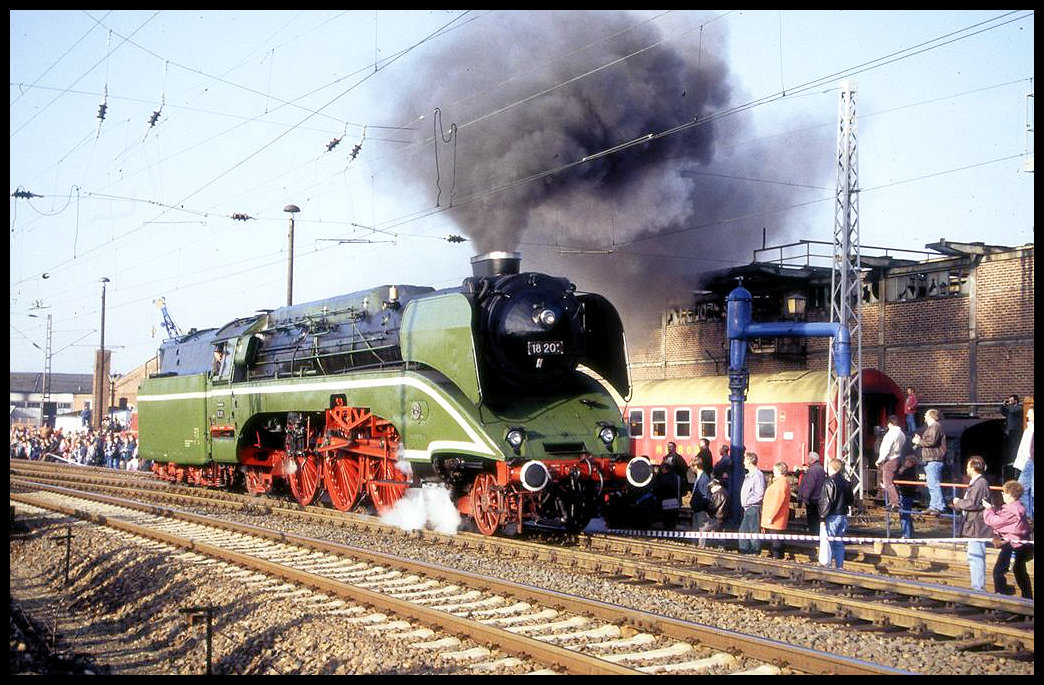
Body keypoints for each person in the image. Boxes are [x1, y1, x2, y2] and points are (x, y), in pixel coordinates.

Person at [982, 480, 1033, 598]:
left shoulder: (1013, 511)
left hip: (1013, 546)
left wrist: (989, 509)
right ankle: (1028, 597)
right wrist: (994, 509)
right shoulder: (1017, 508)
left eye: (1004, 493)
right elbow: (1003, 518)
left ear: (1010, 494)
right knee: (1019, 571)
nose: (1002, 495)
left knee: (998, 572)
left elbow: (995, 522)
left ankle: (1003, 597)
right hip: (1021, 545)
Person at [950, 456, 992, 592]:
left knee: (976, 555)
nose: (966, 468)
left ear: (974, 467)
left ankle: (978, 587)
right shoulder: (976, 482)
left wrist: (958, 502)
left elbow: (972, 503)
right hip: (972, 523)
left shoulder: (980, 483)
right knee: (973, 555)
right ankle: (977, 585)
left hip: (976, 526)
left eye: (968, 466)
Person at [818, 458, 853, 569]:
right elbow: (850, 501)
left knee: (828, 542)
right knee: (839, 542)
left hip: (832, 516)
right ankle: (839, 566)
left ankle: (826, 565)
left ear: (831, 468)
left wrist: (822, 518)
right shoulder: (846, 483)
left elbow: (826, 501)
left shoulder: (829, 482)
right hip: (842, 515)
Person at [912, 408, 946, 515]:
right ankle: (933, 505)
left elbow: (931, 441)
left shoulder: (935, 426)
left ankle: (939, 506)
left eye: (926, 414)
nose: (924, 416)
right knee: (931, 484)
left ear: (931, 416)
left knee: (934, 484)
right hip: (930, 459)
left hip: (933, 459)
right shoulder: (932, 427)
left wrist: (918, 441)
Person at [876, 415, 906, 511]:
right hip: (898, 458)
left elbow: (886, 448)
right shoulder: (902, 434)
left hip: (890, 459)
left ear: (889, 423)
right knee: (893, 482)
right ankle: (894, 501)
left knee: (887, 482)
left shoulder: (891, 434)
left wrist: (880, 460)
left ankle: (894, 502)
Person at [761, 462, 791, 559]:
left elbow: (777, 502)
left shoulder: (780, 484)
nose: (773, 472)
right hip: (777, 519)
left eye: (774, 470)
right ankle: (777, 558)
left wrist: (771, 517)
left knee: (776, 542)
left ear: (779, 471)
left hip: (776, 519)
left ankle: (777, 560)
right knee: (777, 541)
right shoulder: (781, 483)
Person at [737, 451, 766, 555]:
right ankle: (745, 552)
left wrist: (747, 502)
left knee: (753, 532)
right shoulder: (749, 475)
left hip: (753, 508)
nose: (744, 462)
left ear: (749, 461)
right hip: (748, 508)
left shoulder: (758, 475)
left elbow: (759, 494)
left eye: (745, 460)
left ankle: (755, 552)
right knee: (743, 532)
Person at [1013, 406, 1034, 521]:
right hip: (1028, 462)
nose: (1027, 416)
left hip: (1031, 461)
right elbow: (1023, 448)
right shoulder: (1028, 430)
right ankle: (1027, 515)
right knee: (1021, 489)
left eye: (1029, 413)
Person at [797, 451, 826, 533]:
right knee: (817, 518)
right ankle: (816, 532)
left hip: (812, 499)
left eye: (809, 458)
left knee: (812, 519)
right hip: (818, 497)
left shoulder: (812, 470)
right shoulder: (820, 469)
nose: (807, 460)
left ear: (812, 459)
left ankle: (813, 534)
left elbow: (809, 485)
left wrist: (805, 498)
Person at [895, 455, 920, 539]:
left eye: (907, 461)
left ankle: (906, 535)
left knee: (904, 514)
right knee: (906, 514)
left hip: (906, 494)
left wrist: (900, 472)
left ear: (911, 463)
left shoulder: (909, 472)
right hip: (907, 494)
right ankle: (910, 533)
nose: (905, 462)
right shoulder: (910, 471)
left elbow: (901, 481)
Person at [700, 479, 729, 549]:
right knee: (720, 533)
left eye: (711, 489)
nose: (710, 491)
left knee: (703, 530)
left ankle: (701, 546)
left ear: (714, 487)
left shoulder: (718, 493)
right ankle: (721, 548)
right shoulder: (724, 491)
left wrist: (708, 513)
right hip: (723, 517)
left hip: (717, 517)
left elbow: (713, 506)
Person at [1000, 395, 1024, 467]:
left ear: (1016, 401)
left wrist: (1008, 405)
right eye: (1009, 400)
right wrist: (1003, 405)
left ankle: (1016, 460)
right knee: (1010, 446)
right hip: (1010, 430)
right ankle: (1012, 460)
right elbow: (1003, 412)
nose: (1010, 401)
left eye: (1011, 400)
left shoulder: (1019, 408)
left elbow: (1012, 411)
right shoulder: (1010, 409)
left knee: (1015, 445)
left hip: (1016, 430)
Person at [690, 454, 711, 532]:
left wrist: (701, 506)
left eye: (691, 466)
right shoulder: (699, 477)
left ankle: (702, 544)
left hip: (701, 508)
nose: (690, 468)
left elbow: (706, 494)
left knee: (702, 527)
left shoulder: (704, 478)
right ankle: (696, 543)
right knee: (696, 528)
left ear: (696, 466)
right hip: (697, 507)